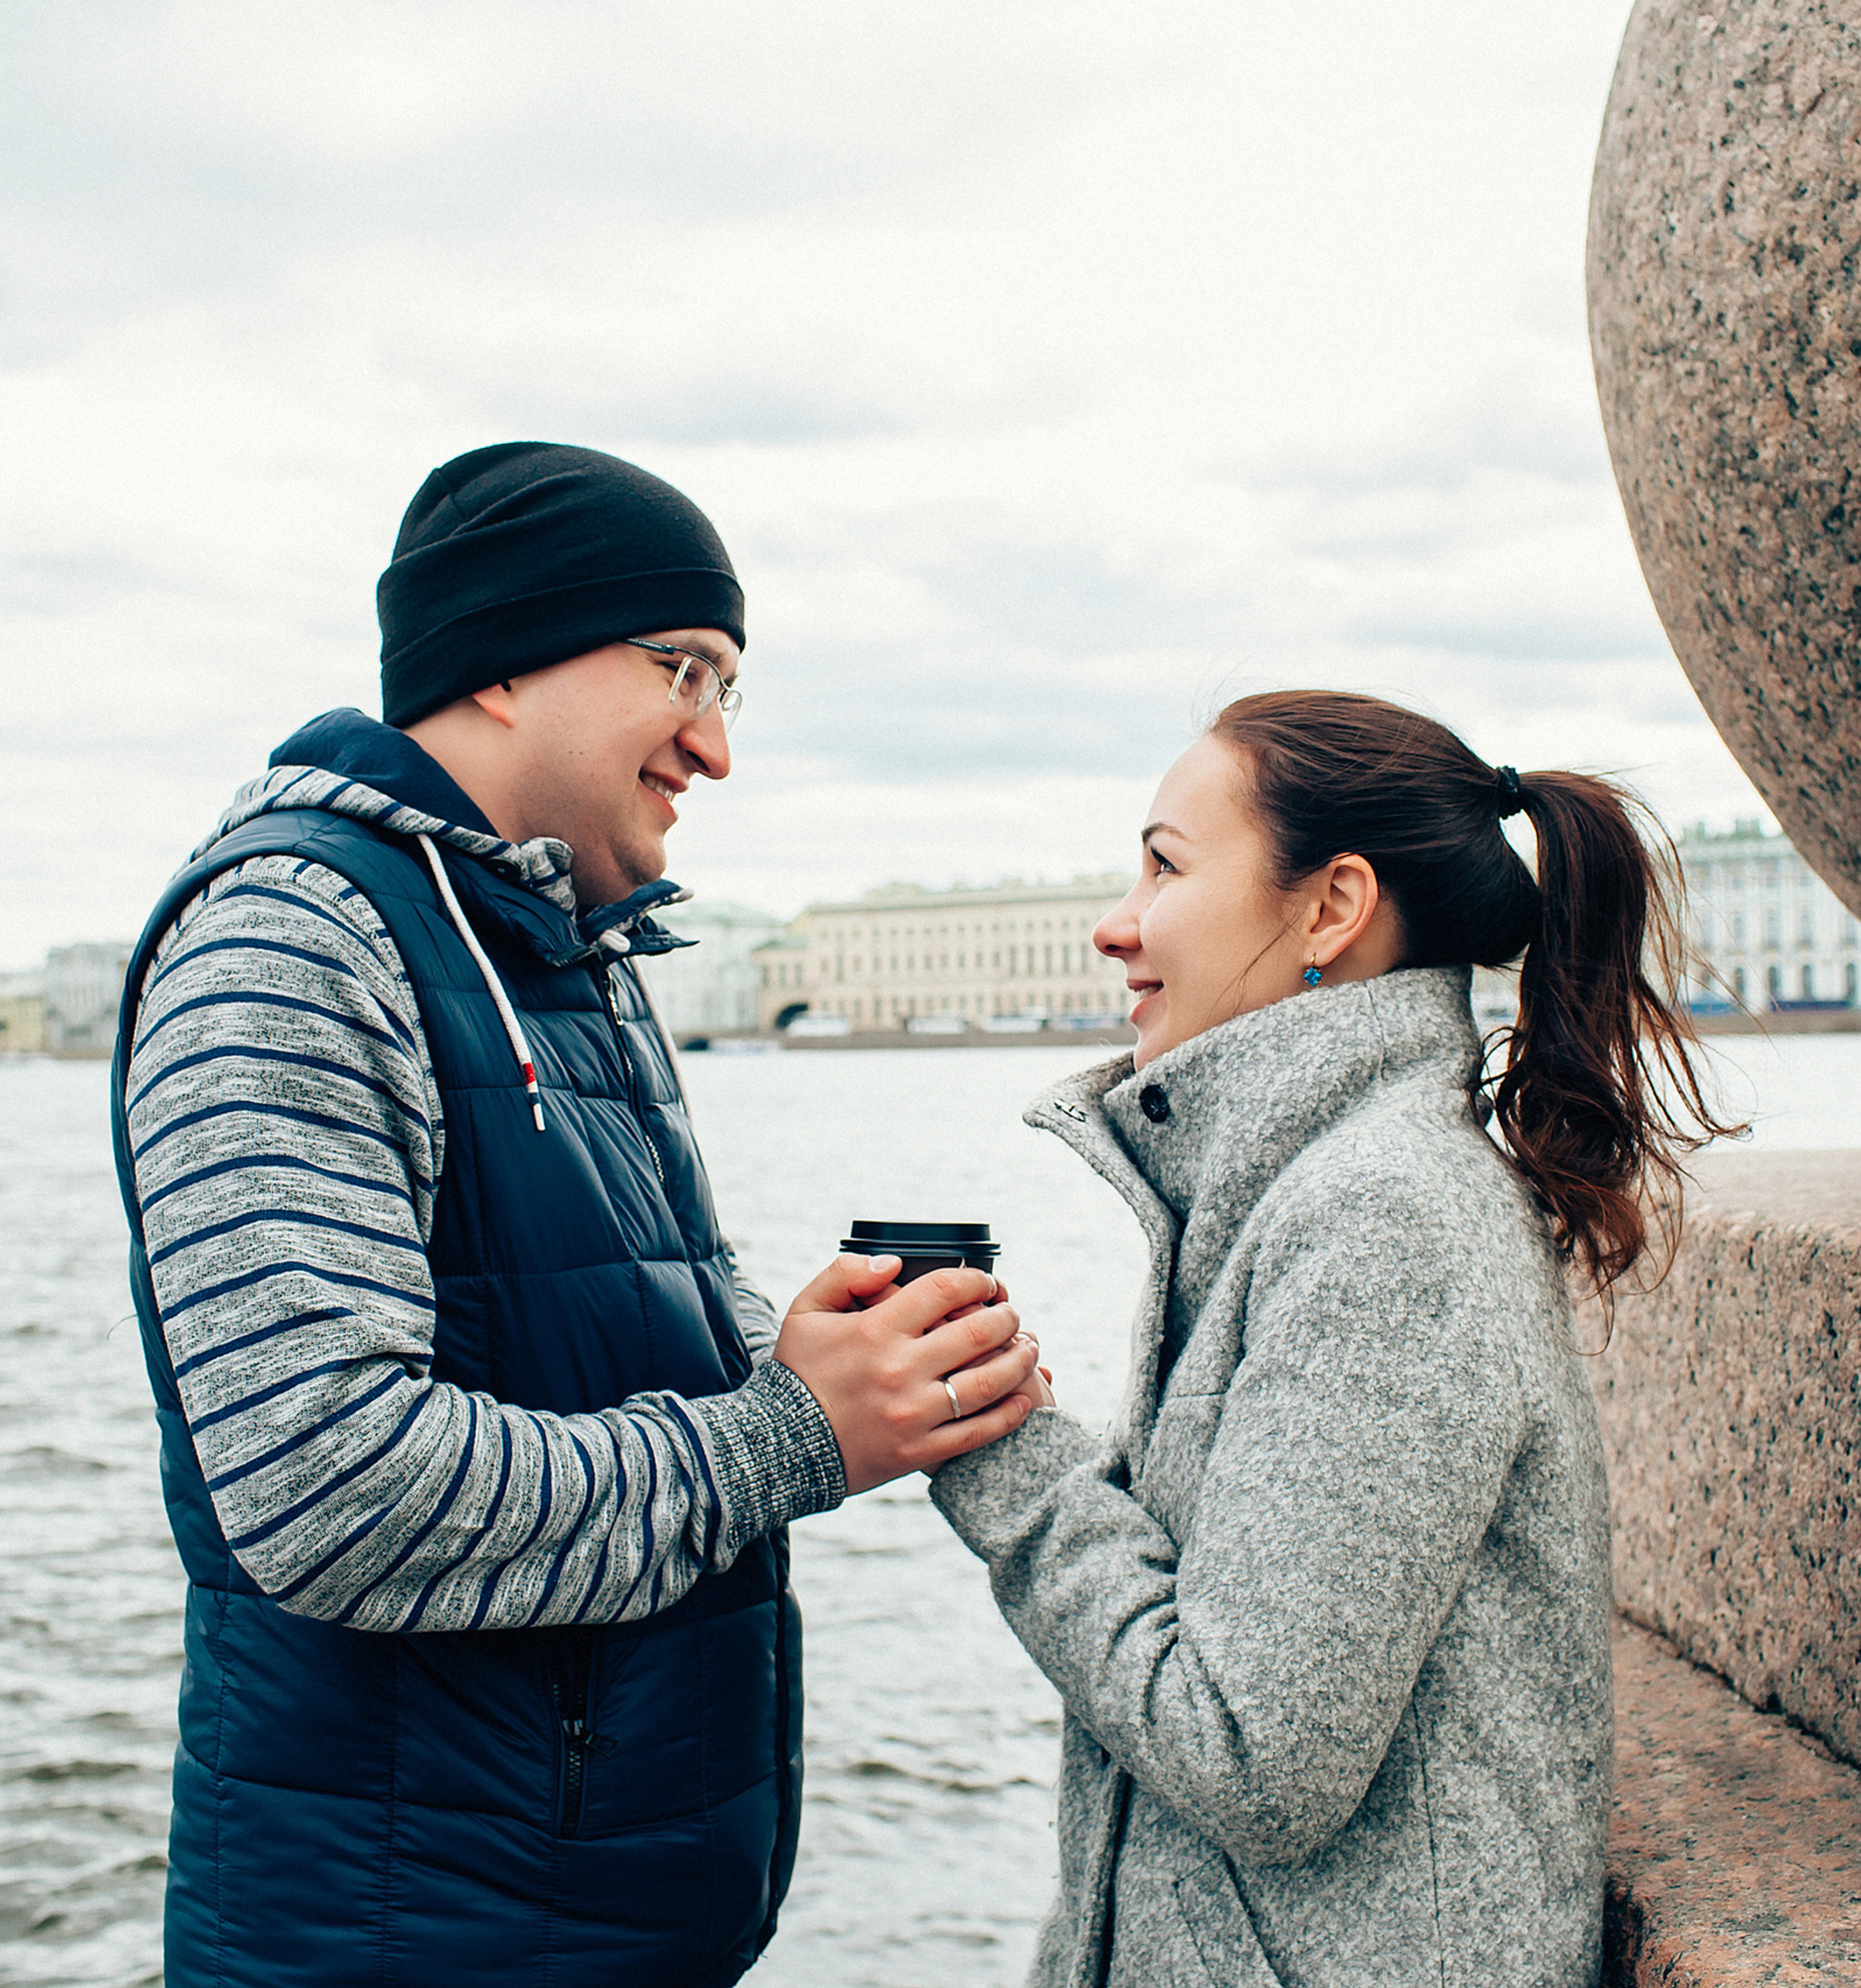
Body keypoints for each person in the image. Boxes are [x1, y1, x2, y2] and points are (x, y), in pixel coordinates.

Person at [110, 440, 1042, 1988]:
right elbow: (326, 1489)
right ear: (497, 659)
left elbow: (597, 1317)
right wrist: (796, 1430)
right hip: (407, 1943)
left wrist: (824, 1358)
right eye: (684, 669)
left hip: (585, 1923)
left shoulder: (566, 947)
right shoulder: (286, 940)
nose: (715, 746)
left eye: (732, 688)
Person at [930, 690, 1734, 1988]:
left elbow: (1255, 1754)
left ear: (1332, 909)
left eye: (1164, 864)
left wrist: (997, 1450)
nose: (1114, 922)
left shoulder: (1382, 1219)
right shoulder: (1305, 1188)